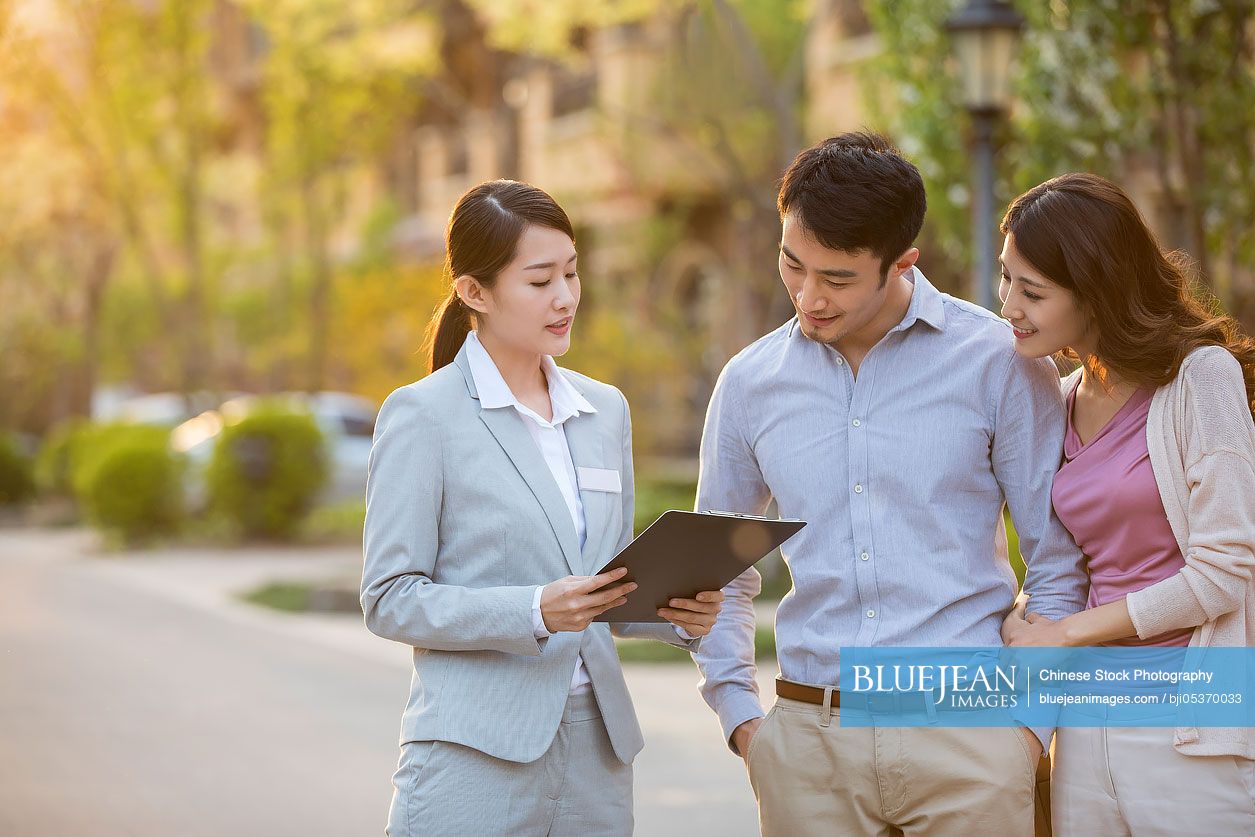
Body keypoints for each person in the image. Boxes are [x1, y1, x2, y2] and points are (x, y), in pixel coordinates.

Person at [690, 132, 1088, 837]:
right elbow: (716, 573)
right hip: (808, 748)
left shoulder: (997, 361)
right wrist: (743, 722)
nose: (808, 297)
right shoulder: (750, 384)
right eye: (792, 264)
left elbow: (1057, 561)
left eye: (837, 278)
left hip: (969, 732)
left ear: (902, 261)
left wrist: (1022, 733)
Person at [360, 179, 724, 836]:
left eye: (572, 272)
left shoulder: (603, 410)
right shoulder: (422, 416)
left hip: (596, 753)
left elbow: (604, 589)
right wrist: (533, 610)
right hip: (474, 754)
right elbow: (389, 597)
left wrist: (678, 616)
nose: (565, 298)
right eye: (539, 281)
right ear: (474, 292)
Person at [998, 172, 1255, 834]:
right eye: (1004, 280)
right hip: (1085, 725)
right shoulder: (1053, 401)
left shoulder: (1200, 378)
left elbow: (1224, 571)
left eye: (1031, 291)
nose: (1007, 306)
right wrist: (1025, 620)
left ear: (1096, 291)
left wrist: (1063, 634)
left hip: (1189, 725)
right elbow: (1067, 560)